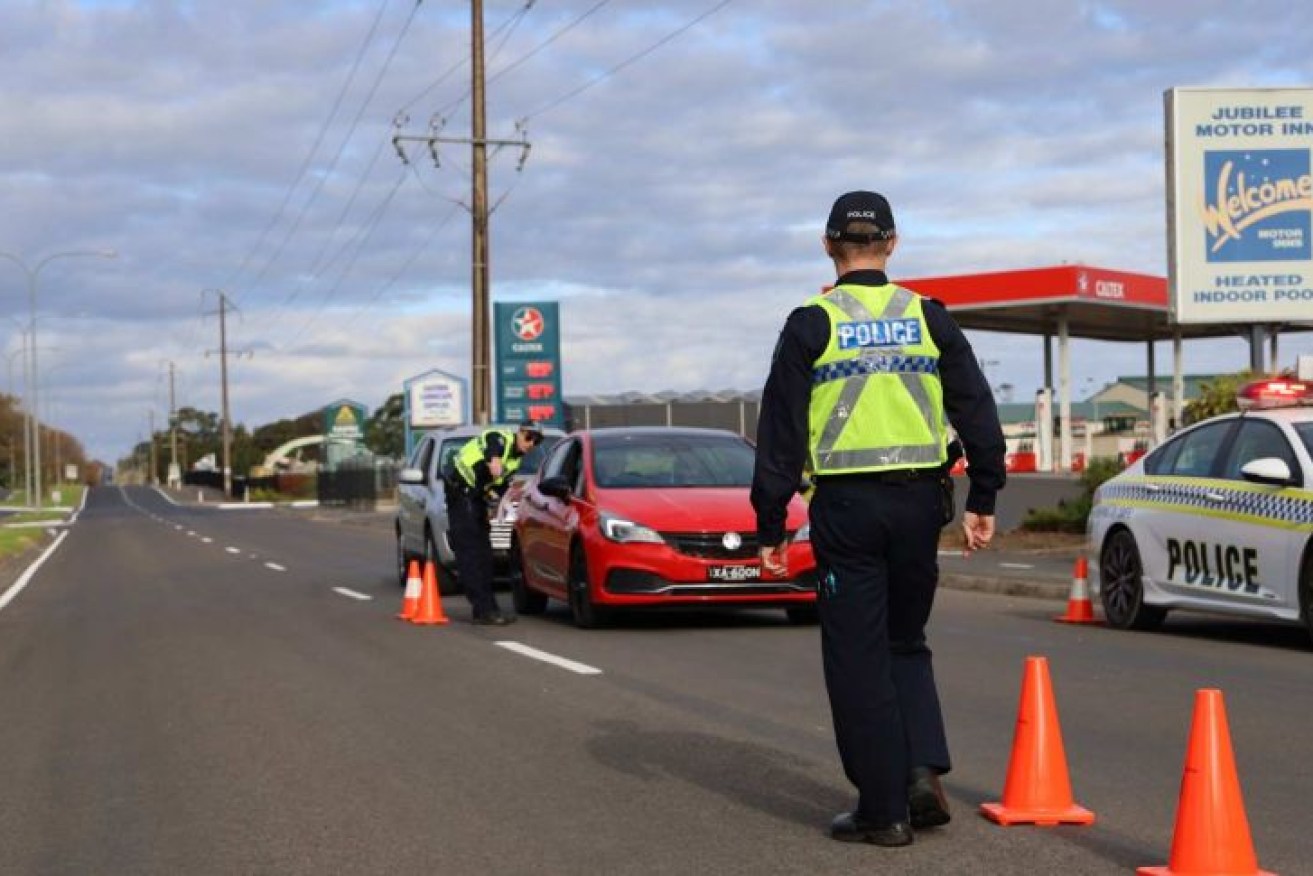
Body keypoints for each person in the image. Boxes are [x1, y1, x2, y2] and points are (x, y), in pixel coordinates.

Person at [751, 191, 1006, 848]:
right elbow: (975, 407)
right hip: (921, 504)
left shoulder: (812, 322)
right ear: (891, 244)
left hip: (847, 508)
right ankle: (919, 774)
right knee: (904, 640)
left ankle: (883, 811)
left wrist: (770, 526)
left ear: (826, 246)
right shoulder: (927, 317)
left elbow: (779, 434)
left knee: (857, 656)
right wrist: (983, 497)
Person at [445, 421, 545, 625]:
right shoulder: (502, 438)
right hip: (461, 492)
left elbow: (498, 489)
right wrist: (494, 459)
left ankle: (488, 608)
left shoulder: (515, 463)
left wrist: (499, 501)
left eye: (536, 441)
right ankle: (483, 609)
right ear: (520, 433)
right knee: (471, 552)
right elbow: (491, 442)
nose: (531, 443)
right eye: (529, 437)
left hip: (475, 500)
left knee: (485, 554)